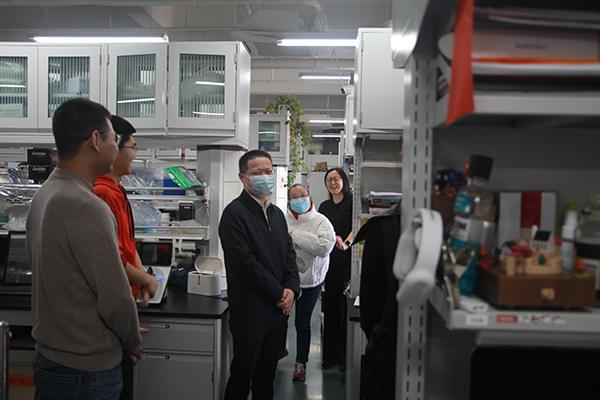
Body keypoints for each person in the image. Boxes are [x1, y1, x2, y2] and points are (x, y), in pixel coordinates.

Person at [26, 98, 143, 400]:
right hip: (86, 369)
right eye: (113, 138)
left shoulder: (45, 194)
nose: (116, 147)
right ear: (95, 140)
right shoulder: (86, 205)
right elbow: (114, 294)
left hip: (52, 356)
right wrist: (131, 339)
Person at [218, 149, 300, 400]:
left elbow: (289, 254)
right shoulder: (234, 214)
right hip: (250, 310)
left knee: (267, 375)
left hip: (277, 311)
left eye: (268, 171)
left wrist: (292, 289)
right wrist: (279, 293)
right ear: (243, 177)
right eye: (257, 173)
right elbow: (244, 264)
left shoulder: (277, 214)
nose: (265, 176)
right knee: (243, 374)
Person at [93, 115, 158, 400]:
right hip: (110, 317)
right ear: (112, 146)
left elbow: (127, 245)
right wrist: (147, 280)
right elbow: (112, 261)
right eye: (132, 147)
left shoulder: (116, 190)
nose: (134, 154)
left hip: (123, 307)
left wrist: (142, 278)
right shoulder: (101, 193)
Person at [285, 184, 336, 382]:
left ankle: (301, 363)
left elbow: (324, 247)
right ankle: (278, 350)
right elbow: (277, 245)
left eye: (303, 195)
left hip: (310, 281)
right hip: (286, 279)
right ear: (289, 202)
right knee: (279, 320)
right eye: (295, 197)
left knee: (302, 323)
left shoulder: (321, 221)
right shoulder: (283, 219)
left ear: (310, 197)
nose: (300, 200)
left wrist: (295, 237)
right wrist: (308, 243)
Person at [355, 203, 401, 400]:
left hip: (388, 344)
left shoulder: (384, 226)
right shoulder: (384, 227)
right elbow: (370, 301)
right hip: (388, 348)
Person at [318, 167, 353, 372]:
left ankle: (345, 357)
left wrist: (346, 243)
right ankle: (330, 356)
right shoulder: (324, 206)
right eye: (329, 179)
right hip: (328, 262)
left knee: (346, 308)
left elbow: (357, 226)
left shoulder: (351, 202)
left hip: (348, 260)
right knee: (330, 308)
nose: (333, 182)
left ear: (344, 181)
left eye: (336, 178)